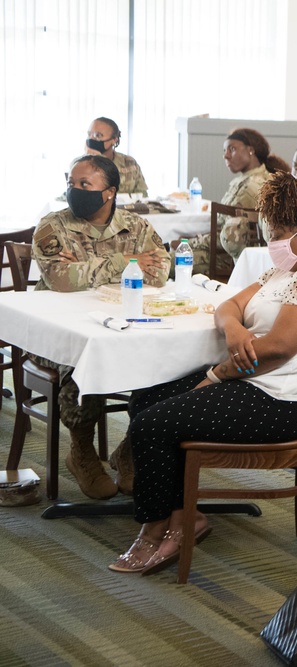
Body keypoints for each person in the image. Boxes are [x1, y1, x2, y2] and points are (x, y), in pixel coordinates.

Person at [108, 171, 297, 574]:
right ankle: (184, 515)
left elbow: (277, 349)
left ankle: (154, 530)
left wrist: (217, 375)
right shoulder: (284, 271)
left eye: (278, 232)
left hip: (284, 401)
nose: (271, 241)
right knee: (146, 398)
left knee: (153, 424)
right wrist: (235, 327)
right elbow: (227, 304)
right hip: (254, 381)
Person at [31, 154, 169, 499]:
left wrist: (87, 267)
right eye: (71, 183)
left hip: (123, 323)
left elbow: (160, 270)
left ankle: (130, 449)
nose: (74, 190)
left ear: (109, 193)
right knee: (82, 361)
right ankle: (82, 451)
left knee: (168, 363)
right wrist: (125, 262)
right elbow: (61, 279)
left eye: (84, 185)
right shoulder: (53, 226)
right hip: (60, 333)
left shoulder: (134, 225)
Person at [187, 128, 290, 276]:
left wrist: (189, 243)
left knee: (174, 259)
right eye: (224, 151)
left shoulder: (252, 187)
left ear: (250, 150)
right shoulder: (246, 179)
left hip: (230, 258)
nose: (226, 156)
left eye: (232, 149)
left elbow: (228, 236)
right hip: (226, 251)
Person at [84, 116, 148, 197]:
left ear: (114, 140)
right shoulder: (81, 165)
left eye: (98, 135)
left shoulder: (129, 162)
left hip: (127, 209)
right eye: (89, 134)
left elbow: (143, 195)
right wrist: (95, 160)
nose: (91, 138)